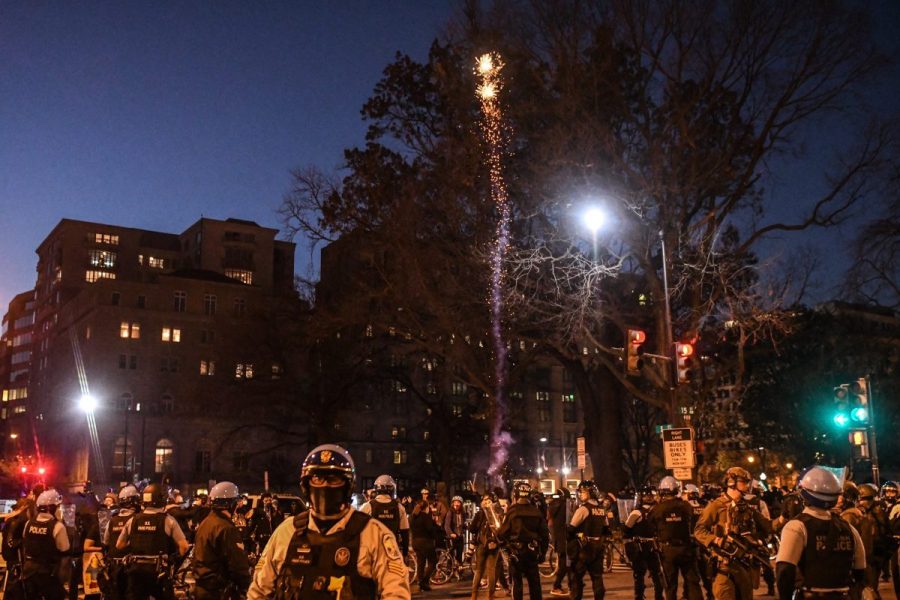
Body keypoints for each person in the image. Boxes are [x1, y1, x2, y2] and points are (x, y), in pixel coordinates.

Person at [246, 443, 411, 600]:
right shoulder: (287, 531)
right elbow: (259, 591)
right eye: (317, 478)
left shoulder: (373, 534)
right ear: (306, 486)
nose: (324, 486)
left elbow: (396, 592)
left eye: (333, 479)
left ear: (348, 485)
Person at [775, 466, 866, 600]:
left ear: (803, 493)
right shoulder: (849, 528)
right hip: (844, 596)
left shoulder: (796, 527)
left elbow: (784, 571)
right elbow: (860, 568)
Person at [694, 466, 772, 600]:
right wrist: (716, 540)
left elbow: (768, 526)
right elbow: (699, 530)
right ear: (732, 483)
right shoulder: (716, 506)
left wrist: (784, 518)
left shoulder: (747, 506)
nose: (747, 485)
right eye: (744, 482)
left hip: (745, 567)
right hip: (724, 569)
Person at [116, 482, 190, 600]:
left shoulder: (132, 520)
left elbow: (119, 545)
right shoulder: (168, 520)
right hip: (159, 573)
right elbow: (184, 547)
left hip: (136, 572)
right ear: (162, 499)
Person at [193, 481, 251, 599]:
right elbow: (237, 564)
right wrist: (247, 585)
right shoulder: (226, 528)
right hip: (218, 590)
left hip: (202, 587)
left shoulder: (206, 522)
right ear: (231, 504)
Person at [649, 476, 702, 600]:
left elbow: (650, 526)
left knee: (670, 586)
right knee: (692, 583)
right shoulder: (686, 506)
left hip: (668, 550)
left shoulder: (657, 509)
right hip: (686, 548)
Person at [497, 481, 549, 600]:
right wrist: (543, 553)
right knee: (535, 583)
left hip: (516, 552)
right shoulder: (536, 511)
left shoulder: (513, 511)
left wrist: (505, 546)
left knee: (517, 583)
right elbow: (545, 534)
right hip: (532, 551)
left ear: (515, 494)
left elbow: (502, 533)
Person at [19, 488, 70, 600]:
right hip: (49, 573)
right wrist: (62, 578)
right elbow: (65, 554)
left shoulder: (28, 524)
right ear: (53, 508)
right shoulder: (57, 526)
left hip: (29, 571)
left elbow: (25, 545)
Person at [94, 485, 141, 600]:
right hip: (132, 568)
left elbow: (105, 542)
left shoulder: (112, 520)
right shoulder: (137, 519)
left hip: (114, 567)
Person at [568, 480, 610, 600]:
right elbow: (606, 529)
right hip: (598, 547)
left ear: (589, 493)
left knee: (576, 577)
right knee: (597, 577)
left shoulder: (583, 509)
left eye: (582, 492)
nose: (580, 494)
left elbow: (571, 529)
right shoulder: (602, 509)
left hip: (584, 548)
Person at [625, 485, 664, 600]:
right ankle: (659, 596)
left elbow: (627, 528)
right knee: (657, 573)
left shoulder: (637, 512)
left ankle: (639, 596)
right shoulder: (659, 510)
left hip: (641, 546)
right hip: (655, 545)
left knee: (639, 574)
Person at [359, 474, 411, 557]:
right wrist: (405, 554)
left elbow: (358, 529)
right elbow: (405, 532)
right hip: (392, 552)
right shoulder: (399, 507)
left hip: (373, 552)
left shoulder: (367, 506)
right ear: (392, 489)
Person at [470, 492, 504, 600]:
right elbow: (502, 529)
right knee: (491, 570)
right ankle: (490, 595)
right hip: (494, 545)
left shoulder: (480, 513)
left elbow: (472, 529)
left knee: (479, 570)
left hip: (482, 544)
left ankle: (474, 595)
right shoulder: (498, 513)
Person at [410, 498, 441, 591]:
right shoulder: (425, 516)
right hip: (426, 542)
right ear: (426, 507)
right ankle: (425, 580)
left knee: (421, 562)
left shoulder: (412, 517)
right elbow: (430, 529)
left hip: (415, 541)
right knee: (433, 561)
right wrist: (436, 533)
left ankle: (420, 582)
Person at [547, 488, 570, 596]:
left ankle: (568, 585)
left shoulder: (553, 505)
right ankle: (556, 586)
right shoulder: (565, 506)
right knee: (565, 565)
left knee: (565, 564)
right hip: (565, 538)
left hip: (558, 539)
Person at [445, 495, 467, 563]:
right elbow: (447, 525)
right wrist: (451, 533)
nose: (456, 504)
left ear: (461, 504)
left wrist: (466, 528)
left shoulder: (463, 513)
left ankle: (458, 568)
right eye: (455, 502)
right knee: (451, 556)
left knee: (459, 554)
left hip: (459, 536)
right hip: (452, 536)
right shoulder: (450, 512)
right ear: (453, 503)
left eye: (458, 502)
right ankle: (449, 568)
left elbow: (463, 524)